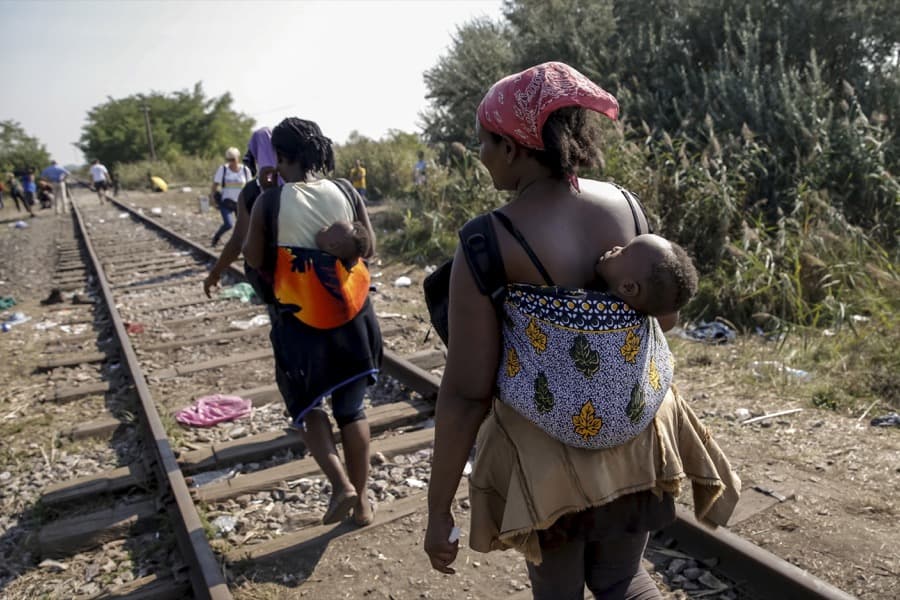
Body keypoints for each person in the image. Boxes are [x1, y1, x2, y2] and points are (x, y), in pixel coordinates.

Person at [424, 62, 739, 599]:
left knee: (560, 592)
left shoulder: (487, 240)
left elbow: (466, 392)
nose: (480, 155)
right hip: (638, 431)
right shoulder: (626, 205)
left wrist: (438, 511)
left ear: (514, 147)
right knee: (621, 579)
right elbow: (662, 317)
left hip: (548, 456)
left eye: (484, 142)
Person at [243, 117, 382, 527]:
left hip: (300, 321)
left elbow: (252, 257)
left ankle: (341, 485)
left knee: (308, 408)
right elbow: (369, 246)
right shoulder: (345, 190)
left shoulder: (271, 200)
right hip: (353, 315)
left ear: (280, 157)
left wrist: (267, 201)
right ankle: (363, 505)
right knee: (352, 410)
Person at [204, 127, 280, 298]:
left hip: (272, 279)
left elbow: (238, 240)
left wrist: (215, 273)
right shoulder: (304, 183)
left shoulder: (252, 191)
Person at [210, 147, 253, 247]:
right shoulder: (223, 169)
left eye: (233, 159)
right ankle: (216, 237)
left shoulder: (245, 170)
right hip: (226, 202)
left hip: (241, 203)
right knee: (228, 224)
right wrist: (212, 198)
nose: (231, 162)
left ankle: (242, 244)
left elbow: (250, 186)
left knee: (244, 226)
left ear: (238, 158)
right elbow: (215, 185)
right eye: (229, 159)